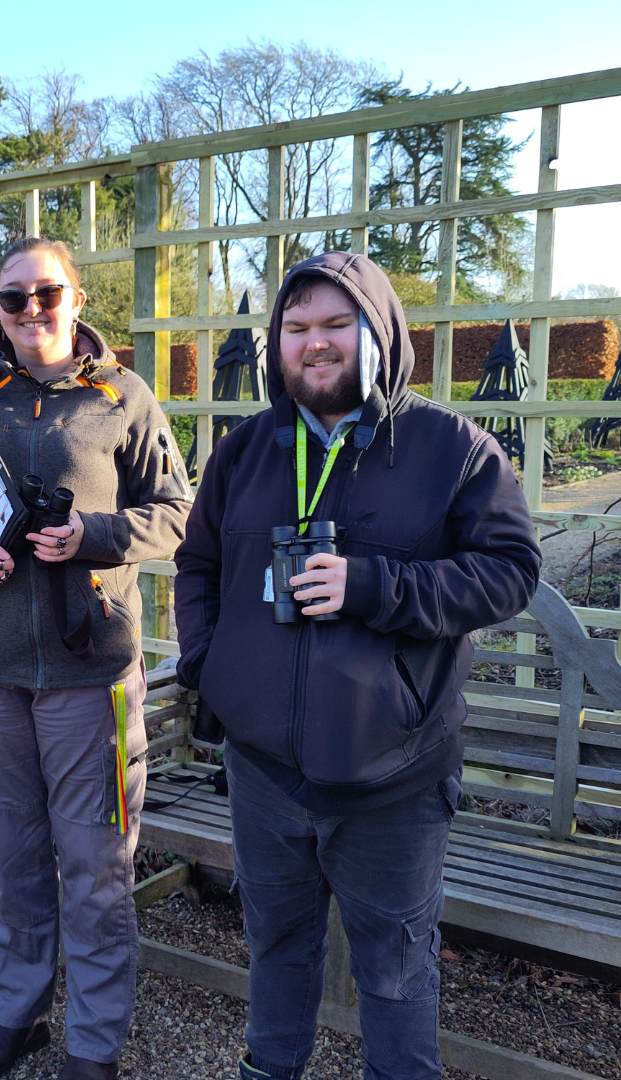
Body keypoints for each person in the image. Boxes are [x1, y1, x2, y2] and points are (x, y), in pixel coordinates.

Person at [173, 251, 540, 1080]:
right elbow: (198, 564)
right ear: (276, 343)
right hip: (264, 775)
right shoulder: (244, 452)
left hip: (393, 778)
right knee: (276, 945)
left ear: (380, 331)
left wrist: (376, 585)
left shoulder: (453, 449)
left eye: (338, 323)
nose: (316, 342)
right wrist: (208, 663)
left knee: (397, 970)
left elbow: (511, 570)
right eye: (296, 327)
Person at [0, 236, 192, 1080]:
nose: (32, 310)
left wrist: (92, 534)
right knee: (15, 857)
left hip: (89, 672)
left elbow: (176, 512)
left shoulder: (123, 398)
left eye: (47, 293)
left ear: (76, 298)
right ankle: (19, 1014)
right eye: (13, 297)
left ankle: (93, 1044)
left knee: (95, 867)